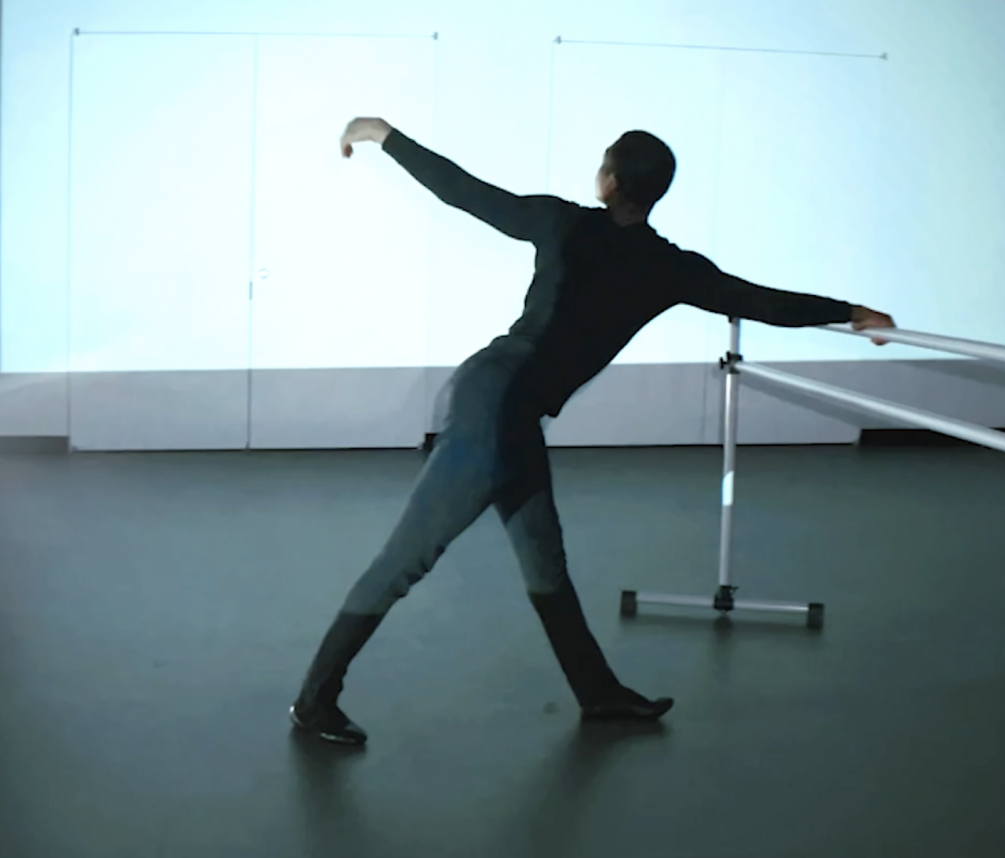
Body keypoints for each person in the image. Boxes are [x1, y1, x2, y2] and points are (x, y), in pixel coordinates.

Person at [290, 116, 897, 746]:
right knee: (408, 559)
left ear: (607, 181)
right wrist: (852, 312)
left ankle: (598, 694)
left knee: (542, 562)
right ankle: (314, 701)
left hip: (502, 406)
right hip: (494, 412)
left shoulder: (562, 223)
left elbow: (463, 191)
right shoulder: (669, 268)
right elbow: (762, 301)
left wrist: (383, 134)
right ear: (653, 193)